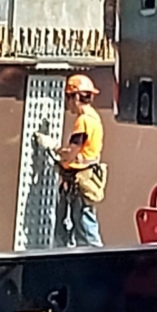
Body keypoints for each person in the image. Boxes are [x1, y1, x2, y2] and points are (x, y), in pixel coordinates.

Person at [35, 74, 107, 248]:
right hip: (82, 179)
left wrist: (52, 145)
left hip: (80, 182)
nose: (67, 103)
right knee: (74, 224)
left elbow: (70, 154)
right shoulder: (94, 118)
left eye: (68, 97)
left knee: (84, 226)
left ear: (75, 97)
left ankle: (96, 262)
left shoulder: (84, 121)